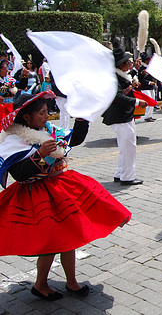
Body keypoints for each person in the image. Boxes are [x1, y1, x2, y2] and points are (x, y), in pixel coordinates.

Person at [0, 91, 131, 300]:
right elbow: (19, 173)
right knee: (51, 243)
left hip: (60, 188)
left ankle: (72, 282)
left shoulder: (49, 130)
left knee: (70, 237)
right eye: (42, 113)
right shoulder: (14, 140)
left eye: (46, 112)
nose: (46, 116)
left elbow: (74, 140)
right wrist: (40, 154)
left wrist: (82, 120)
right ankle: (40, 284)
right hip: (38, 195)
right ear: (27, 117)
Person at [102, 47, 146, 185]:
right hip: (119, 116)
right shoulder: (113, 78)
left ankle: (120, 173)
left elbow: (127, 84)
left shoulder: (120, 74)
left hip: (125, 116)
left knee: (125, 146)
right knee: (128, 147)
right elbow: (117, 96)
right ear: (120, 65)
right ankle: (127, 177)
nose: (130, 65)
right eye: (128, 62)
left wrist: (136, 74)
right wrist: (138, 102)